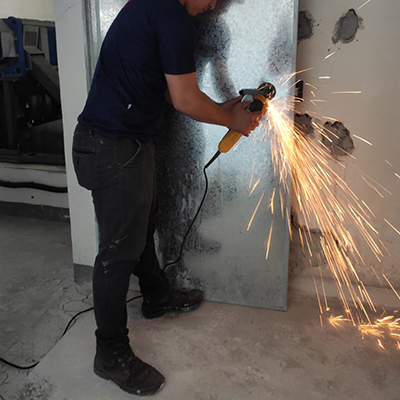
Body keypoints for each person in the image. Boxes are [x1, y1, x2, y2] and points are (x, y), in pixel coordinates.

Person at [72, 0, 261, 396]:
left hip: (123, 142)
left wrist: (221, 109)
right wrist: (232, 119)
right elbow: (184, 100)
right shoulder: (171, 14)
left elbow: (169, 90)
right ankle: (110, 353)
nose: (213, 4)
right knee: (118, 253)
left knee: (144, 223)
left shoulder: (155, 7)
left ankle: (156, 295)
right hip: (112, 146)